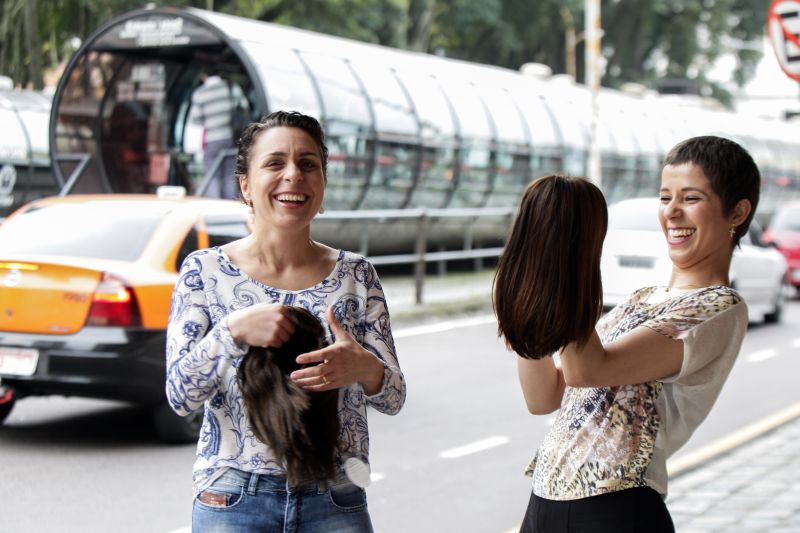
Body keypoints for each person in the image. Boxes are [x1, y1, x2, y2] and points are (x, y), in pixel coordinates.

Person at [494, 135, 758, 533]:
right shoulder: (642, 298)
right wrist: (526, 303)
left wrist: (566, 251)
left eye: (690, 198)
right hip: (545, 498)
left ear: (737, 212)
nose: (672, 212)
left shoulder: (719, 306)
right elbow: (544, 397)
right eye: (665, 197)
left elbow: (589, 369)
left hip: (616, 508)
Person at [166, 110, 406, 532]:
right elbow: (179, 396)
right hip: (232, 498)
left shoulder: (357, 274)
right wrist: (233, 332)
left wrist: (364, 367)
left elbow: (393, 397)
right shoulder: (203, 271)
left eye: (307, 164)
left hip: (336, 496)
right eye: (275, 163)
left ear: (323, 184)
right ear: (245, 185)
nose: (293, 175)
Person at [190, 72, 248, 199]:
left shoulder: (200, 93)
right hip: (231, 138)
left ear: (204, 76)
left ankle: (214, 204)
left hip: (212, 139)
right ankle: (229, 204)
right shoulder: (232, 88)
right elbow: (244, 107)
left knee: (212, 174)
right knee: (229, 174)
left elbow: (196, 119)